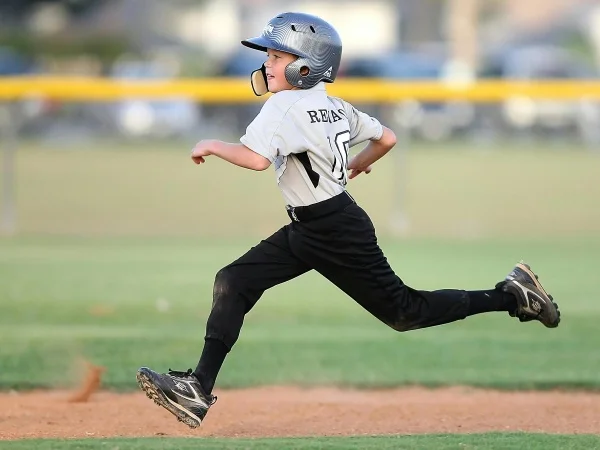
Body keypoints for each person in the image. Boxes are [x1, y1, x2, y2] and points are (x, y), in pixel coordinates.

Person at [136, 12, 560, 429]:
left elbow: (256, 160)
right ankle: (197, 388)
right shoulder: (333, 104)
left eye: (277, 56)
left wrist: (212, 143)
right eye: (269, 55)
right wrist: (356, 164)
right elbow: (387, 138)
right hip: (319, 224)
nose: (267, 62)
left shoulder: (283, 105)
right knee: (235, 280)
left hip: (333, 231)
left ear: (306, 65)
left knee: (405, 312)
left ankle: (512, 295)